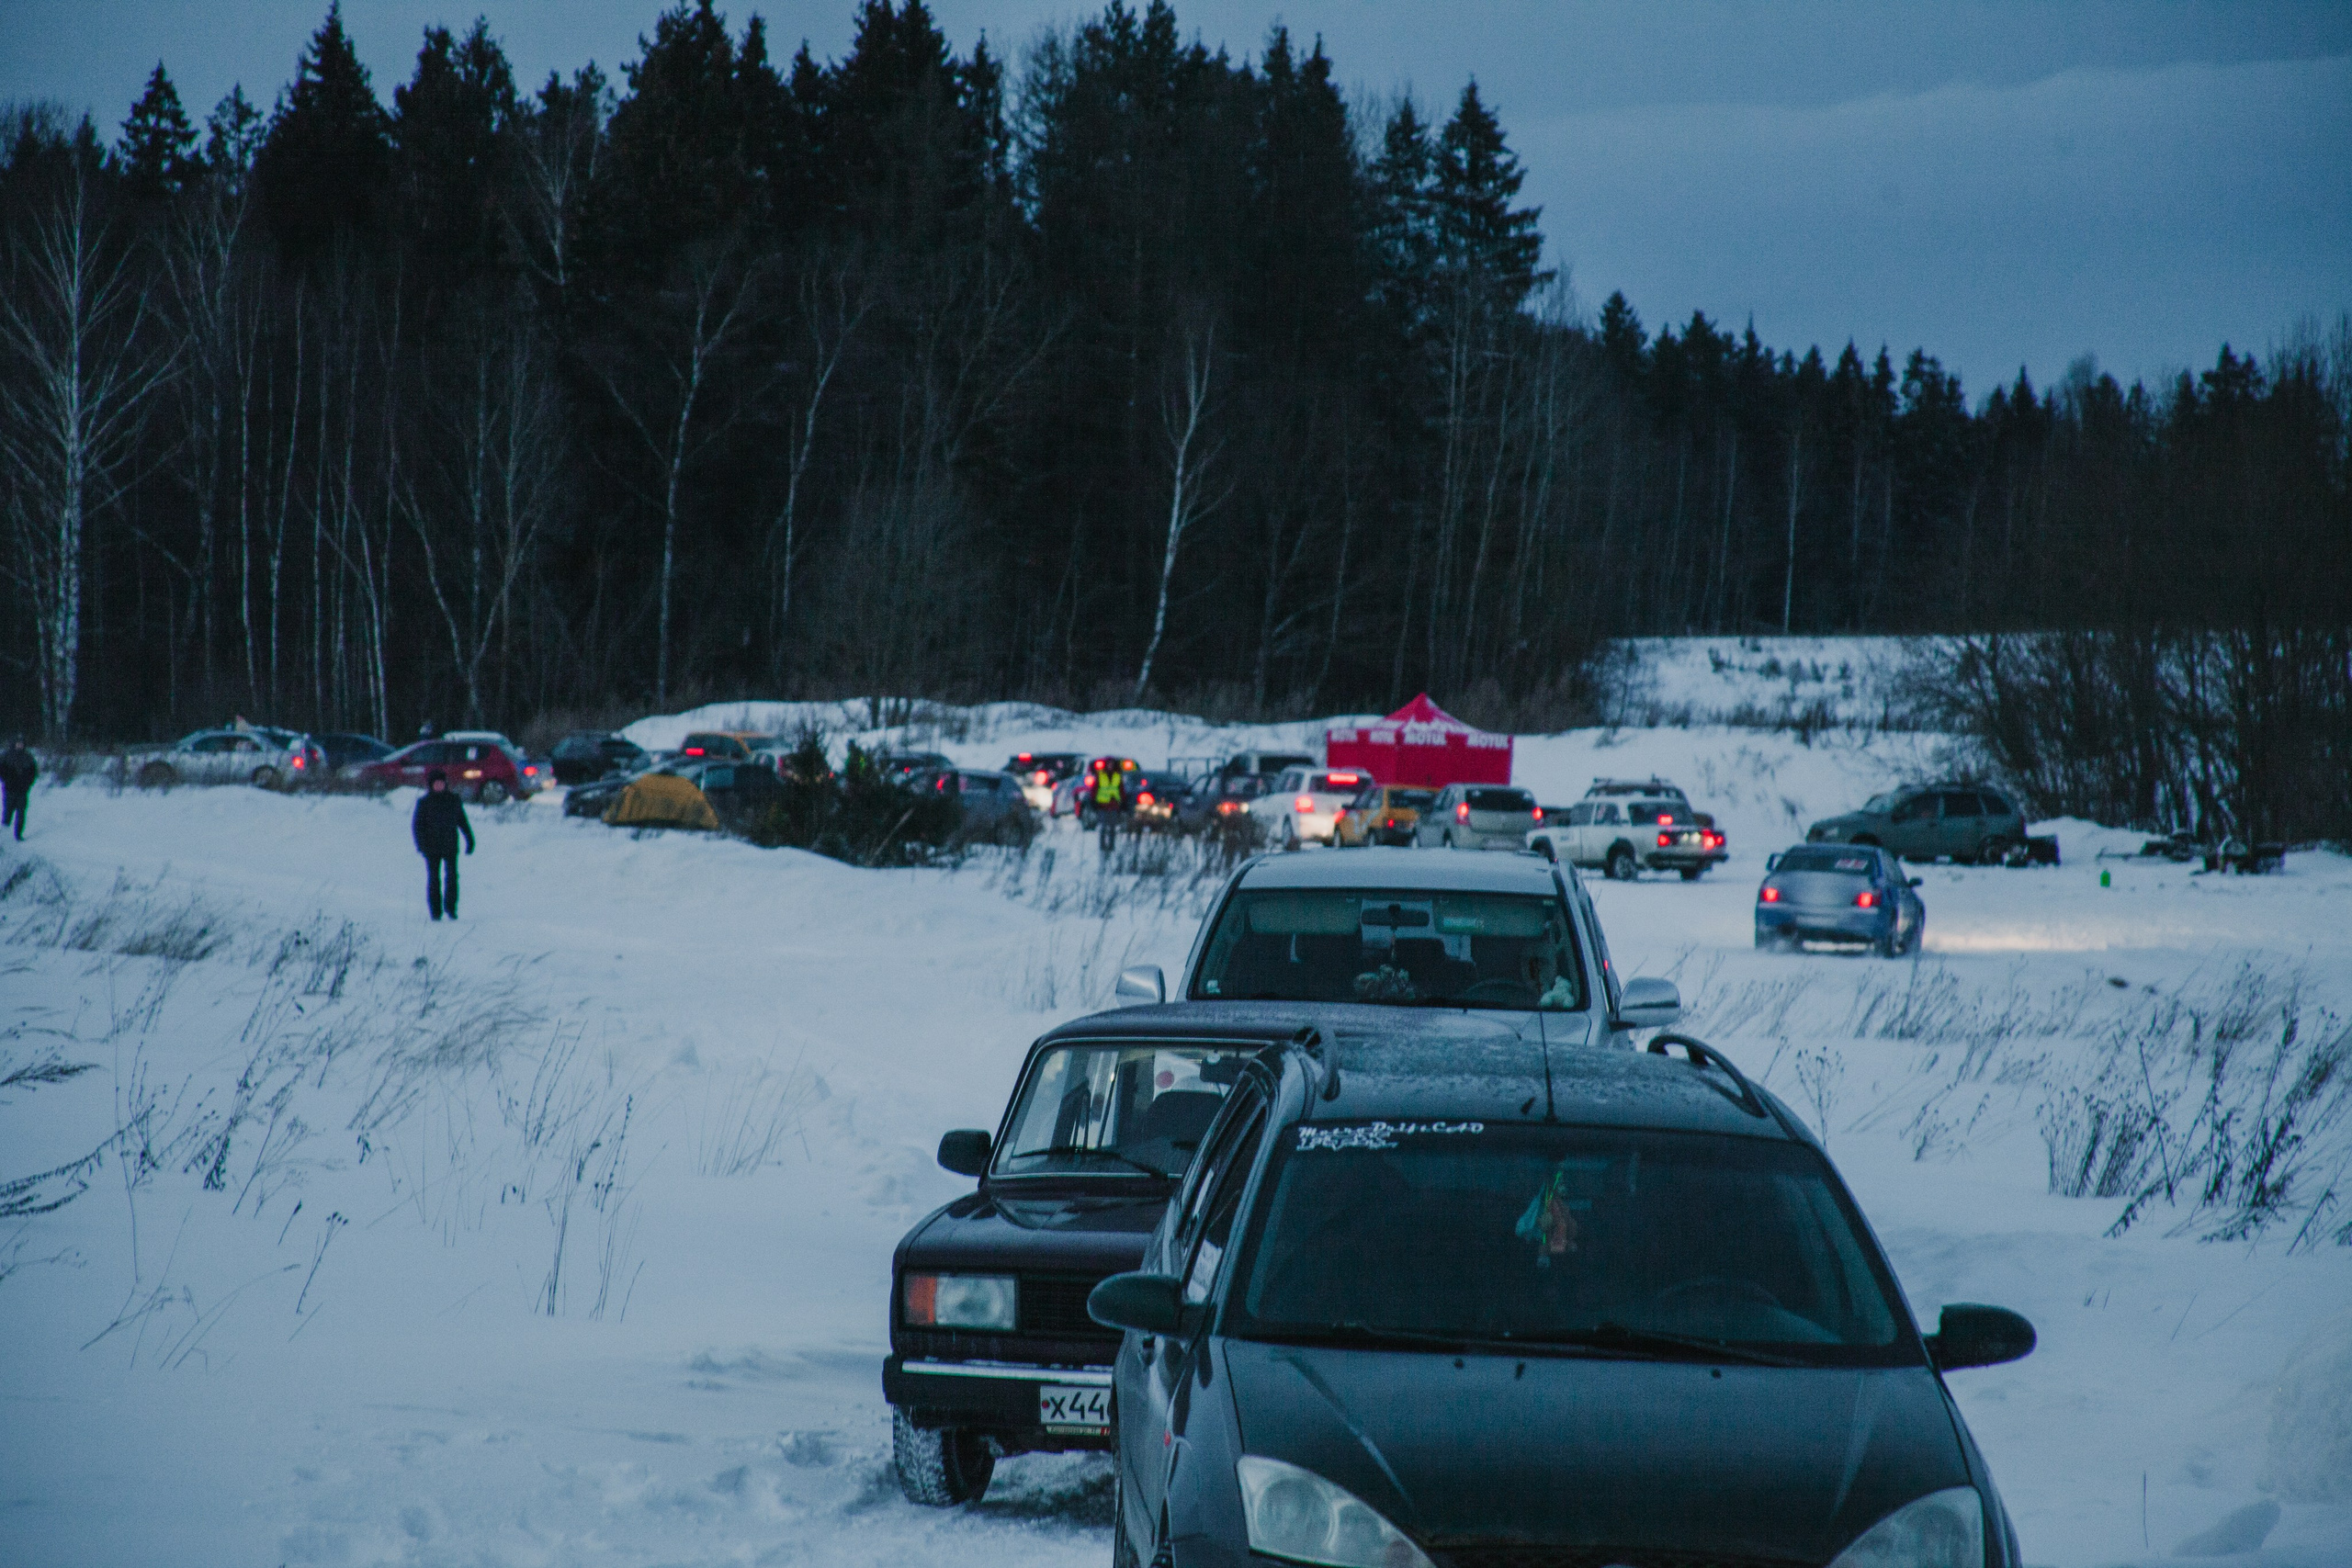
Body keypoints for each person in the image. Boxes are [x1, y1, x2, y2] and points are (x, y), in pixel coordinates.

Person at [411, 769, 475, 919]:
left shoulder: (453, 800)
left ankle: (451, 908)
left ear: (445, 784)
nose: (439, 786)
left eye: (441, 783)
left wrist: (469, 839)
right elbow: (417, 826)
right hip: (431, 847)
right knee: (434, 879)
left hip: (450, 845)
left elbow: (462, 821)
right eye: (436, 784)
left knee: (452, 877)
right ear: (431, 785)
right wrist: (421, 845)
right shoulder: (424, 802)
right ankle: (435, 911)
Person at [0, 736, 35, 841]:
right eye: (18, 743)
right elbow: (2, 771)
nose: (20, 745)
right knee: (8, 812)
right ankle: (3, 835)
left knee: (21, 813)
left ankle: (18, 835)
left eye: (22, 743)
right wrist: (7, 780)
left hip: (22, 790)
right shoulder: (6, 756)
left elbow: (33, 772)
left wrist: (28, 784)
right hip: (10, 789)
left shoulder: (28, 757)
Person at [1091, 759, 1127, 852]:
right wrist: (1093, 801)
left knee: (1112, 828)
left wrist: (1123, 802)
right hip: (1102, 805)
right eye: (1108, 764)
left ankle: (1111, 846)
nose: (1110, 766)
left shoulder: (1117, 776)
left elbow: (1121, 790)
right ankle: (1102, 846)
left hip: (1114, 805)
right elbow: (1095, 789)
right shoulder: (1101, 775)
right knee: (1103, 827)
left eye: (1111, 764)